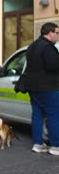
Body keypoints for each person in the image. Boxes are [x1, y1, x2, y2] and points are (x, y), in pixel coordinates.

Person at [25, 22, 59, 155]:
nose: (57, 35)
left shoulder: (32, 46)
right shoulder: (48, 47)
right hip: (48, 87)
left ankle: (38, 144)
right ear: (50, 33)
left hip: (33, 88)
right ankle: (56, 146)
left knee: (37, 115)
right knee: (53, 116)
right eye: (57, 33)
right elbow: (53, 66)